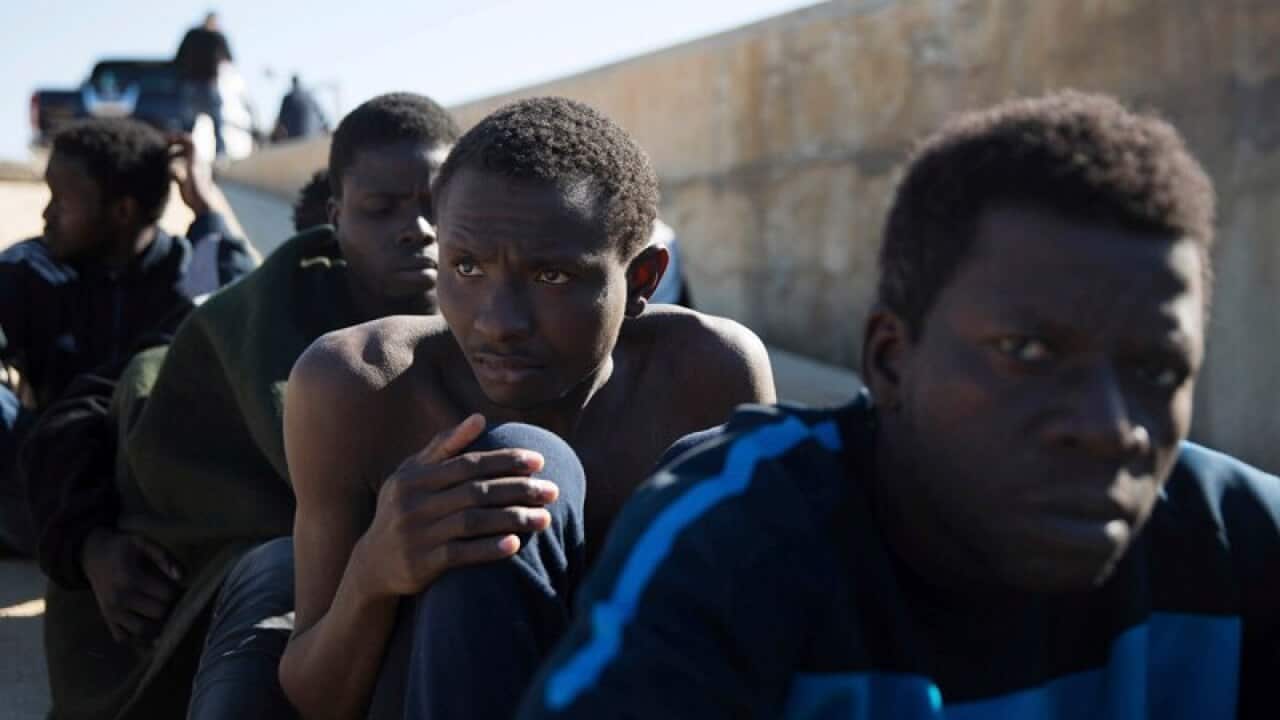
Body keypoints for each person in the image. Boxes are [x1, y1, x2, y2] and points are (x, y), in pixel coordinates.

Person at [518, 91, 1280, 719]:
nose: (1109, 427)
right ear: (891, 360)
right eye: (1028, 354)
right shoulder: (739, 540)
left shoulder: (1238, 542)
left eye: (1155, 369)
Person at [279, 96, 776, 719]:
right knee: (514, 467)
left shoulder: (709, 377)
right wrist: (374, 574)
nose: (499, 322)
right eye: (466, 267)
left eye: (552, 277)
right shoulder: (361, 387)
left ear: (642, 278)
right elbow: (315, 699)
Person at [32, 93, 457, 720]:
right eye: (382, 208)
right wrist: (88, 543)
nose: (416, 229)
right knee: (290, 565)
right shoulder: (266, 312)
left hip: (380, 592)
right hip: (200, 574)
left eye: (436, 207)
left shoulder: (494, 311)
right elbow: (93, 408)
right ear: (336, 219)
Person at [0, 118, 255, 557]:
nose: (47, 214)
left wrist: (206, 203)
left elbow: (247, 303)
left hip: (149, 504)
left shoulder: (188, 272)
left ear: (121, 211)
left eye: (61, 200)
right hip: (46, 488)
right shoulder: (31, 269)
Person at [175, 13, 233, 156]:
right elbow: (229, 58)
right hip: (203, 85)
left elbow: (178, 58)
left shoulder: (194, 35)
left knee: (191, 125)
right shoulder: (215, 36)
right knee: (212, 124)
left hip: (197, 85)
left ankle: (185, 153)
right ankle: (219, 154)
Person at [272, 75, 329, 143]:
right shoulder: (309, 96)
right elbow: (322, 116)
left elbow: (281, 120)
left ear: (292, 83)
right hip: (313, 134)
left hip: (294, 137)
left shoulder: (288, 98)